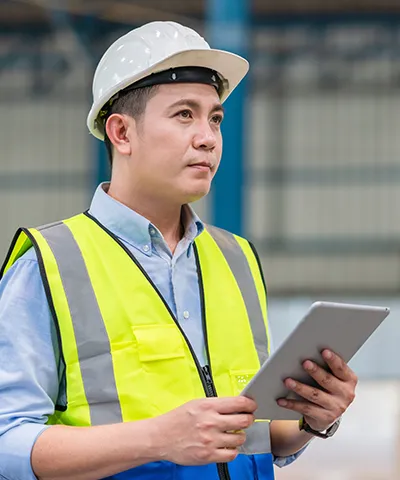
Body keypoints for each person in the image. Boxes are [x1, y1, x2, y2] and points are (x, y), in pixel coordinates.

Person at [0, 21, 357, 480]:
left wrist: (312, 420)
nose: (207, 137)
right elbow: (6, 439)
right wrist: (158, 439)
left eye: (215, 118)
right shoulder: (50, 262)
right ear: (121, 133)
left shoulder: (236, 259)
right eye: (184, 114)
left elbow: (253, 432)